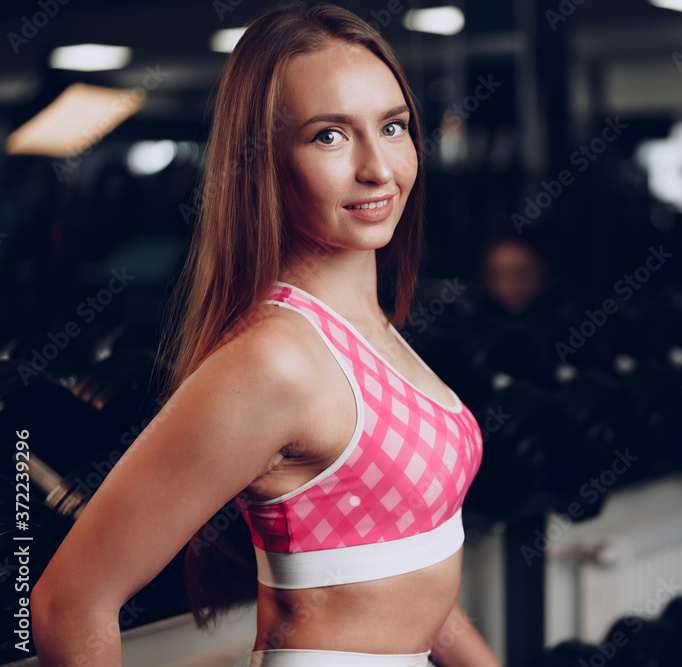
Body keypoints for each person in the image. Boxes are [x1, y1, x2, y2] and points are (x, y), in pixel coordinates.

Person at [32, 3, 501, 666]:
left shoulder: (373, 333)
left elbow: (402, 565)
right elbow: (69, 602)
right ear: (262, 161)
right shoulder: (277, 359)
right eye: (329, 136)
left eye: (392, 126)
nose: (378, 167)